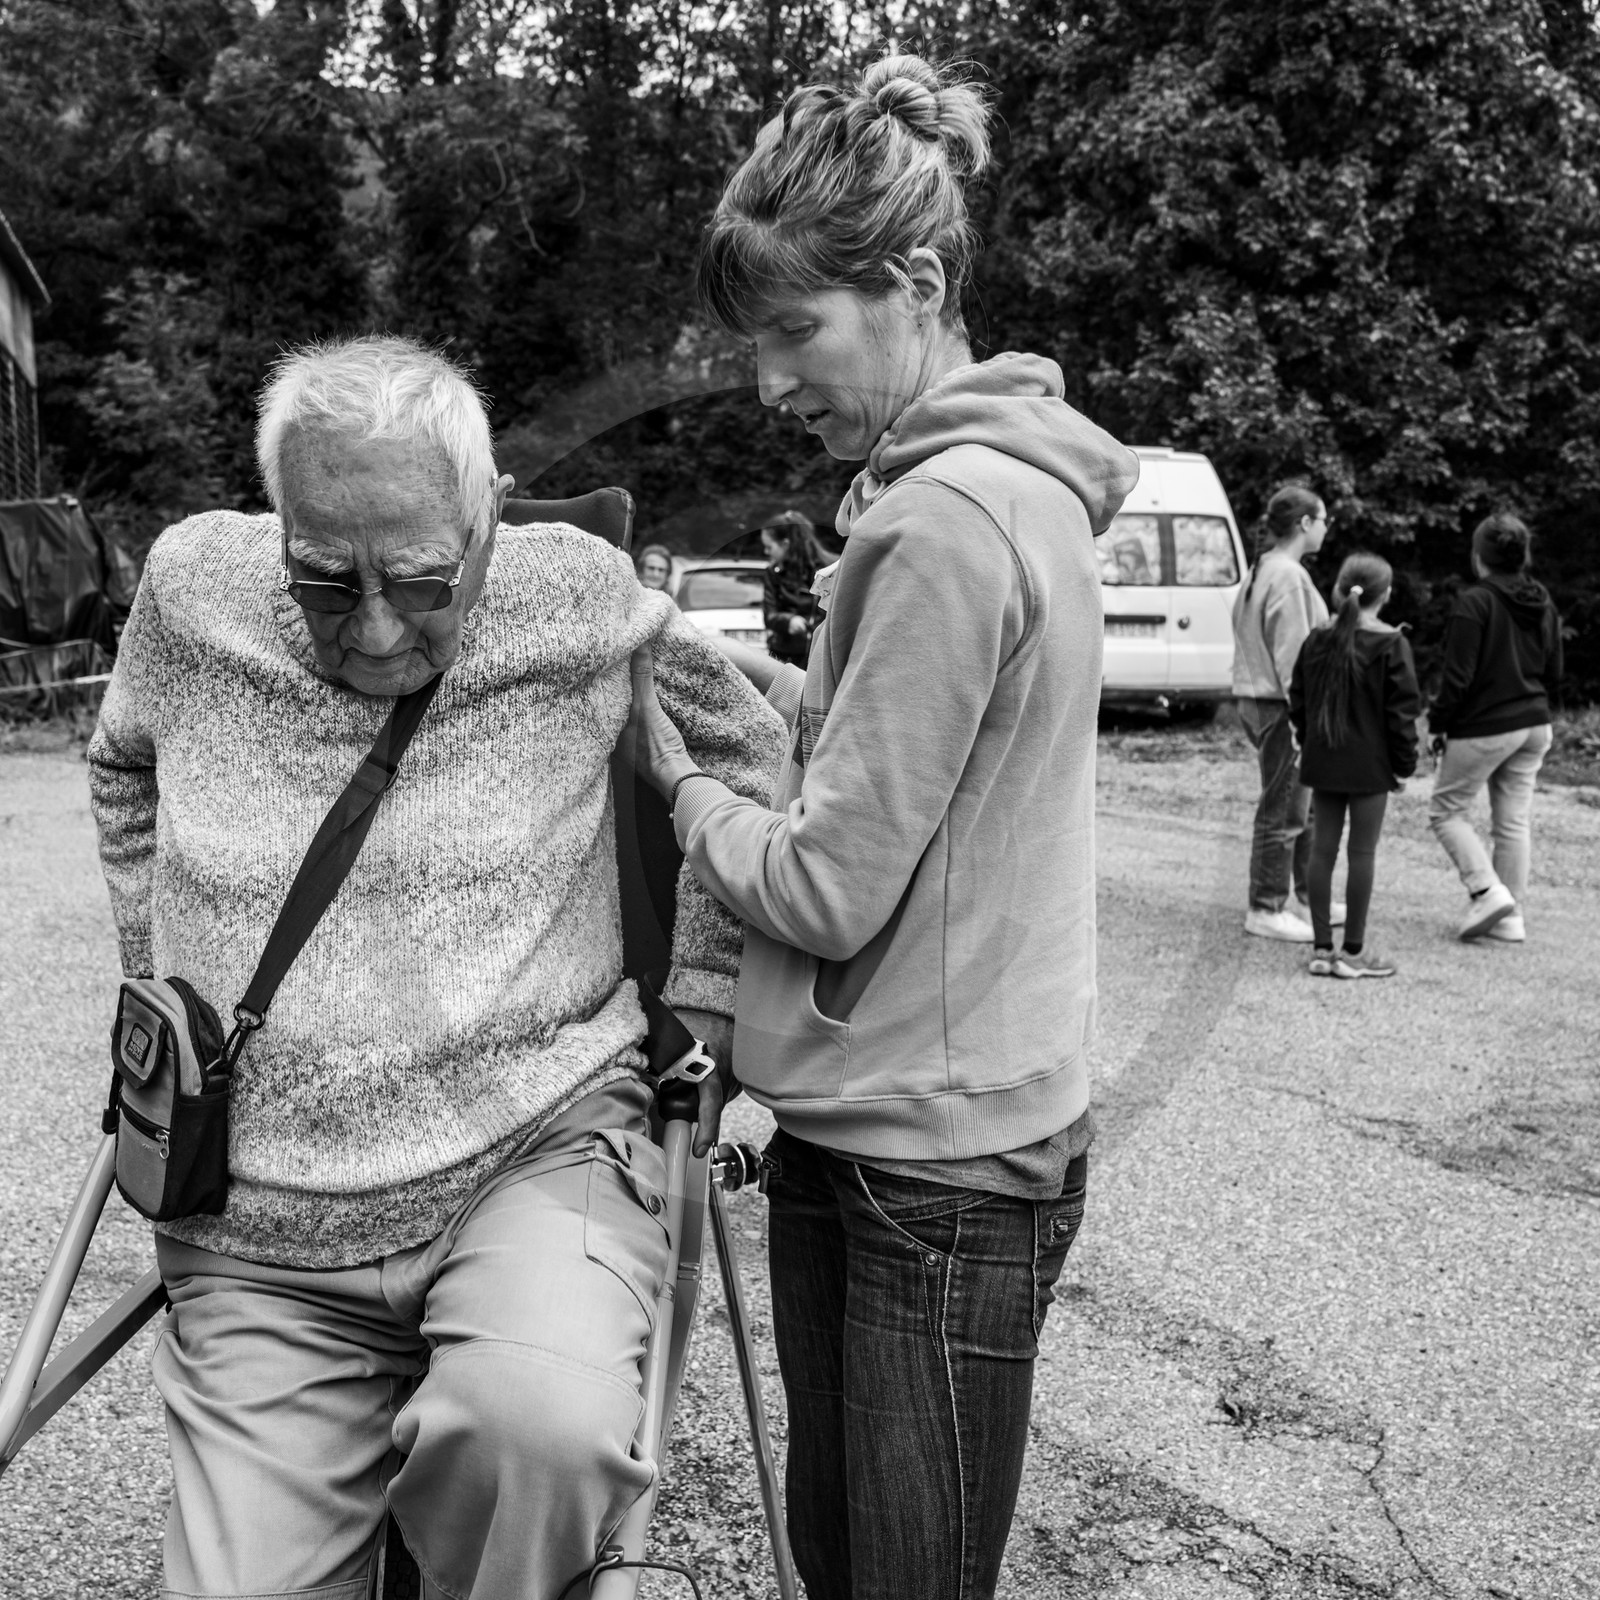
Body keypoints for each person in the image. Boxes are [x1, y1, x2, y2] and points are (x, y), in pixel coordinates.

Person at [86, 334, 786, 1600]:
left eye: (417, 580)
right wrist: (163, 977)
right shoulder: (192, 587)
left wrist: (704, 992)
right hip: (261, 1227)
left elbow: (745, 752)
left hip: (533, 1152)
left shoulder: (575, 593)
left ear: (487, 522)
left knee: (541, 1428)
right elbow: (119, 761)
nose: (369, 627)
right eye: (322, 577)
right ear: (276, 521)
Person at [627, 52, 1140, 1600]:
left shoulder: (933, 521)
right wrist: (770, 685)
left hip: (926, 1168)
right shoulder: (1016, 488)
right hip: (959, 1118)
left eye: (796, 331)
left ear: (914, 281)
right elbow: (943, 762)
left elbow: (834, 884)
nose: (773, 380)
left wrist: (685, 782)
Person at [1427, 511, 1564, 943]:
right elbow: (1555, 669)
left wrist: (1438, 724)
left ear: (1479, 556)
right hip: (1535, 724)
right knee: (1512, 822)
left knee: (1446, 811)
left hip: (1486, 725)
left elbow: (1457, 677)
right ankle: (1510, 918)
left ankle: (1487, 892)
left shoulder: (1475, 601)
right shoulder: (1542, 599)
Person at [1288, 553, 1421, 978]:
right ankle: (1354, 952)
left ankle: (1322, 950)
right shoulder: (1391, 644)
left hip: (1322, 762)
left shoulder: (1317, 639)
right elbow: (1401, 716)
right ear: (1387, 595)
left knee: (1322, 850)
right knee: (1361, 852)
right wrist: (1404, 767)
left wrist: (1310, 745)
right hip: (1370, 768)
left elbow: (1299, 703)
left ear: (1340, 590)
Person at [1231, 483, 1339, 941]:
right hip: (1282, 704)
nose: (1328, 527)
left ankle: (1306, 896)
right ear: (1305, 524)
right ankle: (1267, 906)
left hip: (1258, 698)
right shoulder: (1289, 577)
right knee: (1284, 807)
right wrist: (1305, 715)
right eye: (1324, 519)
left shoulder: (1263, 568)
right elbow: (1296, 654)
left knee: (1302, 803)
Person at [760, 509, 823, 663]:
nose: (766, 552)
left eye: (769, 547)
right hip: (783, 655)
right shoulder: (772, 572)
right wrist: (788, 621)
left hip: (819, 655)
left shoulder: (827, 569)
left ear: (785, 544)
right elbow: (769, 615)